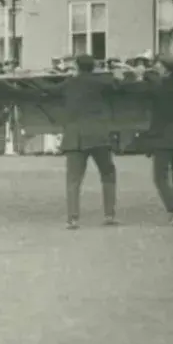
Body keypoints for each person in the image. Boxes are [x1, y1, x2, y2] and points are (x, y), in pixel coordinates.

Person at [29, 54, 124, 230]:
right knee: (108, 174)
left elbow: (48, 89)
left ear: (77, 67)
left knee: (73, 179)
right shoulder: (102, 82)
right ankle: (109, 214)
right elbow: (122, 85)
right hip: (99, 135)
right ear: (94, 67)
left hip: (75, 137)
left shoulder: (70, 84)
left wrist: (31, 80)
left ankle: (73, 218)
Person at [127, 56, 173, 225]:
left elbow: (139, 91)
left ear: (166, 69)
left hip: (164, 135)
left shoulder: (160, 86)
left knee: (160, 176)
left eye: (158, 68)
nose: (156, 71)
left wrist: (141, 76)